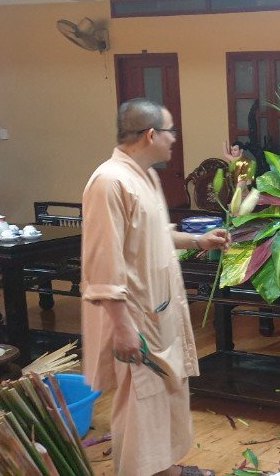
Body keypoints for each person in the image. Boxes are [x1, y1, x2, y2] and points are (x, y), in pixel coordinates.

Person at [81, 98, 229, 476]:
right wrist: (122, 327)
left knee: (164, 389)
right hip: (133, 313)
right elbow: (103, 263)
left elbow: (153, 234)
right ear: (150, 135)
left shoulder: (143, 175)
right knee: (141, 396)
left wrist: (197, 240)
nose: (174, 139)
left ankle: (164, 469)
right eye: (170, 131)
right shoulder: (109, 181)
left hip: (158, 305)